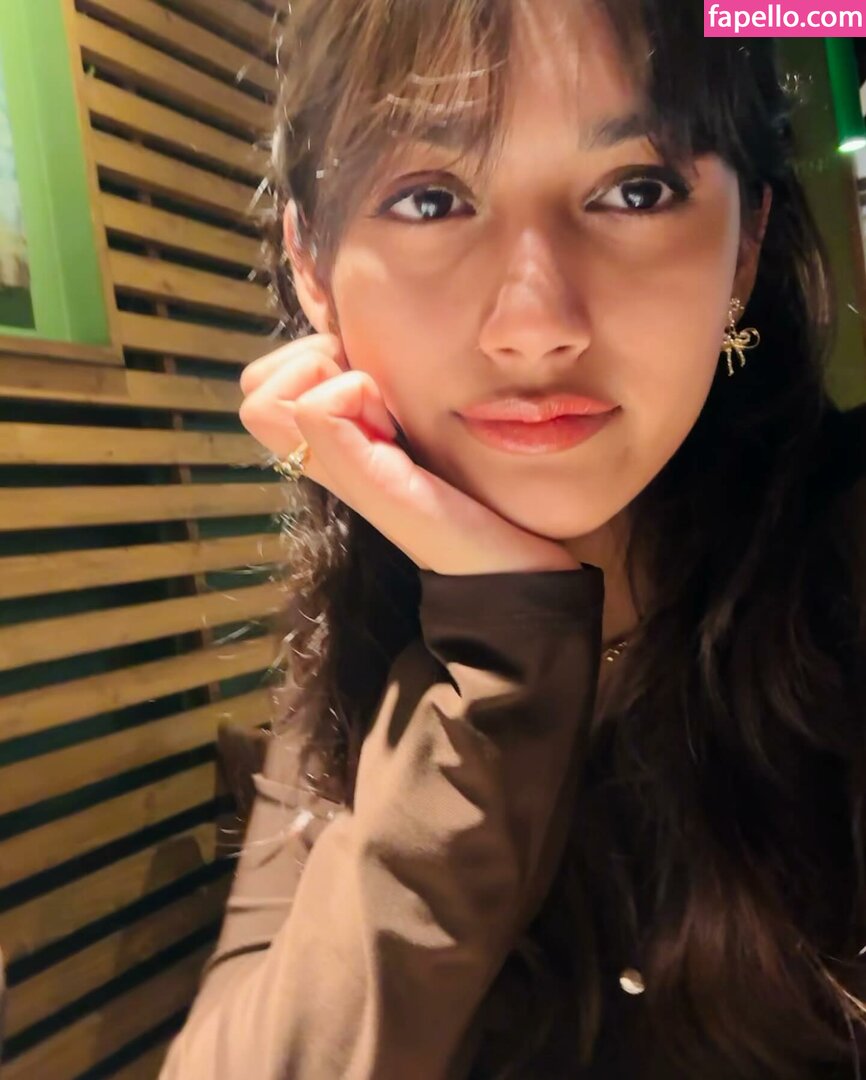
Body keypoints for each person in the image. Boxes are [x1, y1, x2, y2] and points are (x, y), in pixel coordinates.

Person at [159, 1, 866, 1077]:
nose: (535, 323)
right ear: (311, 265)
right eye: (431, 198)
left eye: (636, 190)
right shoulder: (366, 651)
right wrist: (500, 650)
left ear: (745, 244)